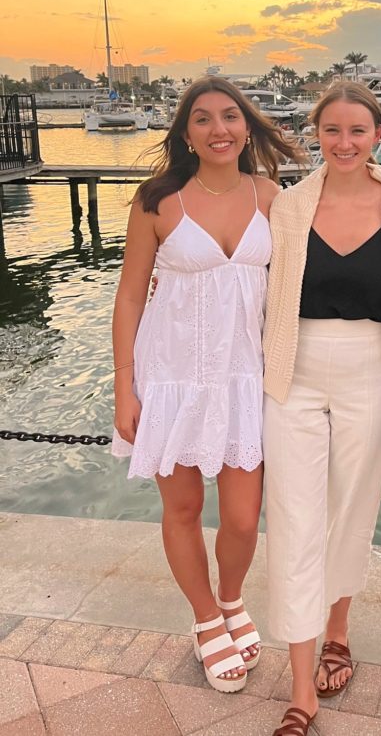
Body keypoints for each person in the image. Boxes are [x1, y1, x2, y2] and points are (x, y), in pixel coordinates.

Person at [111, 76, 302, 694]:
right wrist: (124, 387)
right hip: (171, 377)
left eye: (230, 116)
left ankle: (230, 598)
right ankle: (205, 619)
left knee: (243, 519)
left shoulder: (271, 196)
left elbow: (295, 288)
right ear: (186, 134)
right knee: (185, 509)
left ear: (247, 127)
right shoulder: (157, 200)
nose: (219, 128)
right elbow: (130, 295)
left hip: (245, 379)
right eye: (203, 118)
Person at [261, 82, 381, 736]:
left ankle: (338, 631)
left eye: (357, 130)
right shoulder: (289, 205)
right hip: (293, 368)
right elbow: (261, 289)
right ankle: (301, 688)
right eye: (331, 130)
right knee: (294, 516)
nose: (344, 142)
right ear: (316, 134)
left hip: (369, 365)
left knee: (352, 509)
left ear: (378, 135)